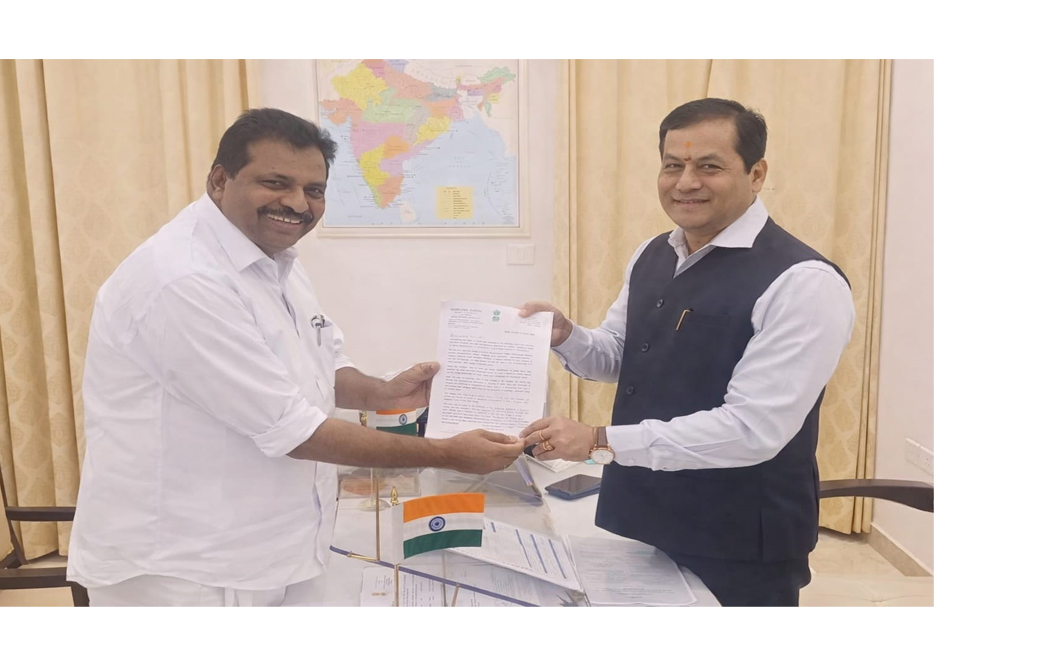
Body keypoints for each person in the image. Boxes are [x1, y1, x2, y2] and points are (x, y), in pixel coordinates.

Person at [67, 108, 523, 607]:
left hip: (273, 547)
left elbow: (320, 364)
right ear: (219, 180)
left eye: (314, 190)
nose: (297, 203)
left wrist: (382, 392)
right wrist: (445, 453)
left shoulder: (274, 258)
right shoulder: (184, 280)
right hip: (184, 567)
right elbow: (294, 430)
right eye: (275, 183)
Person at [519, 98, 855, 606]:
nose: (685, 182)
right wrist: (566, 335)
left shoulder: (804, 283)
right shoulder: (654, 253)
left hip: (739, 536)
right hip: (644, 513)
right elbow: (620, 354)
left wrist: (596, 440)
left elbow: (752, 429)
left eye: (709, 166)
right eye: (672, 165)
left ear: (756, 174)